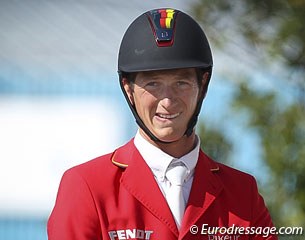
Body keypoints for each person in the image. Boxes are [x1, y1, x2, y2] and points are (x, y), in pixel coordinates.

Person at [47, 8, 278, 240]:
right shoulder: (86, 187)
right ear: (129, 89)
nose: (167, 101)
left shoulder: (242, 193)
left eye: (181, 83)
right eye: (153, 84)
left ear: (203, 86)